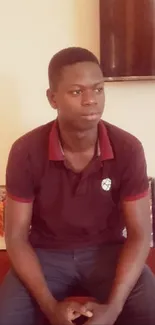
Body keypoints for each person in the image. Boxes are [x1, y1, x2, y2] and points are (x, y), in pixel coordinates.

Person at [0, 47, 155, 325]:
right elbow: (16, 237)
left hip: (108, 254)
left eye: (98, 90)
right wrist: (50, 307)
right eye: (76, 92)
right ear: (52, 98)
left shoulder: (128, 148)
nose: (90, 101)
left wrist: (114, 308)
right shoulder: (25, 151)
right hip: (45, 256)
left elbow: (140, 234)